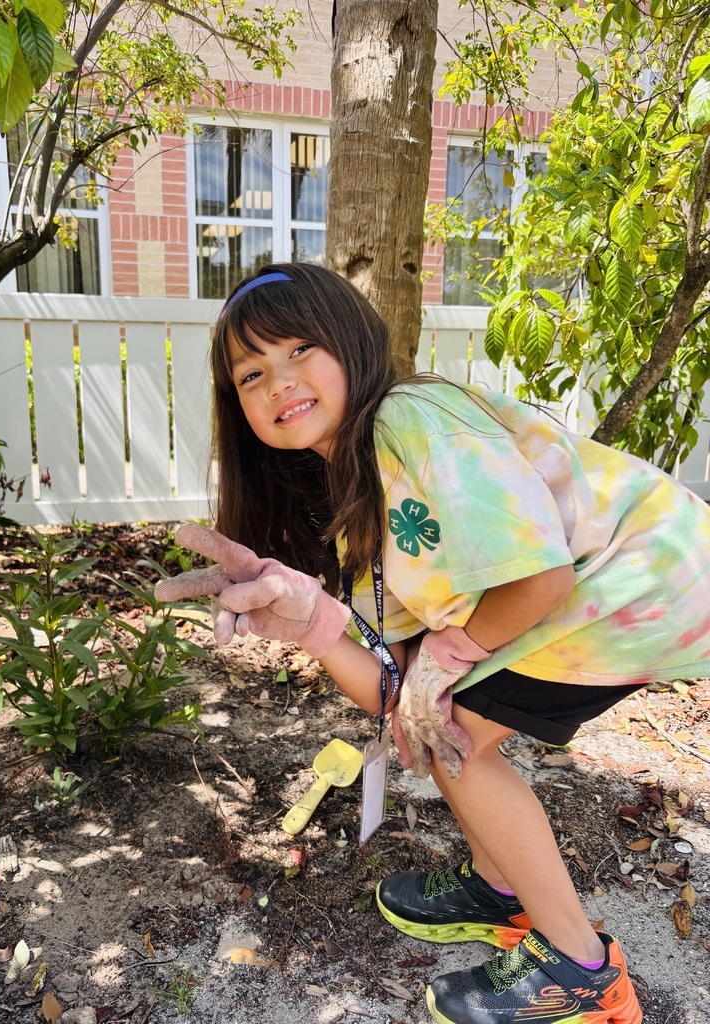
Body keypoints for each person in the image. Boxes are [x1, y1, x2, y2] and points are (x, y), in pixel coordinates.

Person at [155, 262, 710, 1024]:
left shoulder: (408, 417)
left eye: (298, 350)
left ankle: (580, 969)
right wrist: (316, 626)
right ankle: (498, 885)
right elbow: (395, 689)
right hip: (604, 593)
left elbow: (539, 576)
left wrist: (448, 659)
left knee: (452, 735)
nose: (278, 381)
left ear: (351, 343)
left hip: (640, 582)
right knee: (430, 720)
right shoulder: (354, 497)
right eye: (251, 374)